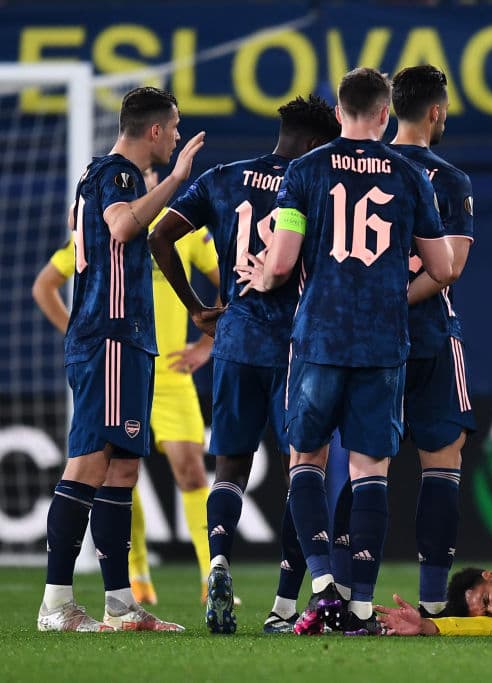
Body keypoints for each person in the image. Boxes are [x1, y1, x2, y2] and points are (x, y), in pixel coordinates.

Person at [253, 67, 454, 636]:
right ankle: (362, 607)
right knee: (371, 470)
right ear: (386, 115)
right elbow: (442, 268)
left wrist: (263, 276)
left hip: (318, 336)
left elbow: (285, 260)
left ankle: (322, 590)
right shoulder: (409, 175)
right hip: (384, 340)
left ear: (340, 113)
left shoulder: (303, 172)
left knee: (307, 459)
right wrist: (392, 292)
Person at [150, 95, 342, 634]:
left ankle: (217, 565)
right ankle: (284, 606)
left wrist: (195, 308)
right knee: (303, 471)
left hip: (235, 341)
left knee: (231, 468)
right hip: (297, 346)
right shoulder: (316, 184)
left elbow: (160, 236)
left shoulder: (224, 177)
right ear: (311, 143)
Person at [36, 86, 204, 632]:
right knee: (90, 462)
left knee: (123, 470)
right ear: (155, 130)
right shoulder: (120, 174)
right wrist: (177, 179)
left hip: (124, 340)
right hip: (108, 338)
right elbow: (123, 226)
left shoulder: (100, 176)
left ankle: (119, 604)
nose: (177, 136)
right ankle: (56, 603)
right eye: (174, 127)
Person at [387, 64, 476, 618]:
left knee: (363, 466)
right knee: (441, 461)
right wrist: (401, 302)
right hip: (430, 335)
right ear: (437, 111)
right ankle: (433, 602)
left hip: (364, 342)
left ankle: (346, 596)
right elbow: (452, 267)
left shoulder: (361, 169)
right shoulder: (449, 178)